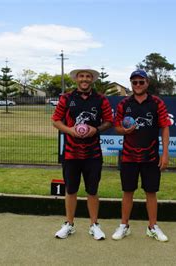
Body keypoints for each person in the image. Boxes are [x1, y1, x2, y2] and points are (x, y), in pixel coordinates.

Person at [51, 68, 113, 240]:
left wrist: (96, 129)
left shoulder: (101, 99)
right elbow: (56, 120)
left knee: (92, 190)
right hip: (71, 153)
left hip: (93, 153)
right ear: (76, 79)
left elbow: (109, 121)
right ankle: (69, 224)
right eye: (81, 76)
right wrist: (69, 131)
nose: (84, 79)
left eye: (88, 76)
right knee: (71, 190)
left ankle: (94, 225)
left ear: (92, 79)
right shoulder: (66, 98)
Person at [111, 69, 171, 242]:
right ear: (131, 84)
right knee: (127, 191)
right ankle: (124, 226)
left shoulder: (157, 103)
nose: (137, 85)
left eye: (141, 82)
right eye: (134, 82)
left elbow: (165, 127)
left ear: (147, 83)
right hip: (129, 156)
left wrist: (165, 153)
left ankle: (152, 227)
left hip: (151, 156)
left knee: (151, 192)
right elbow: (117, 127)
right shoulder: (124, 104)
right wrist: (125, 130)